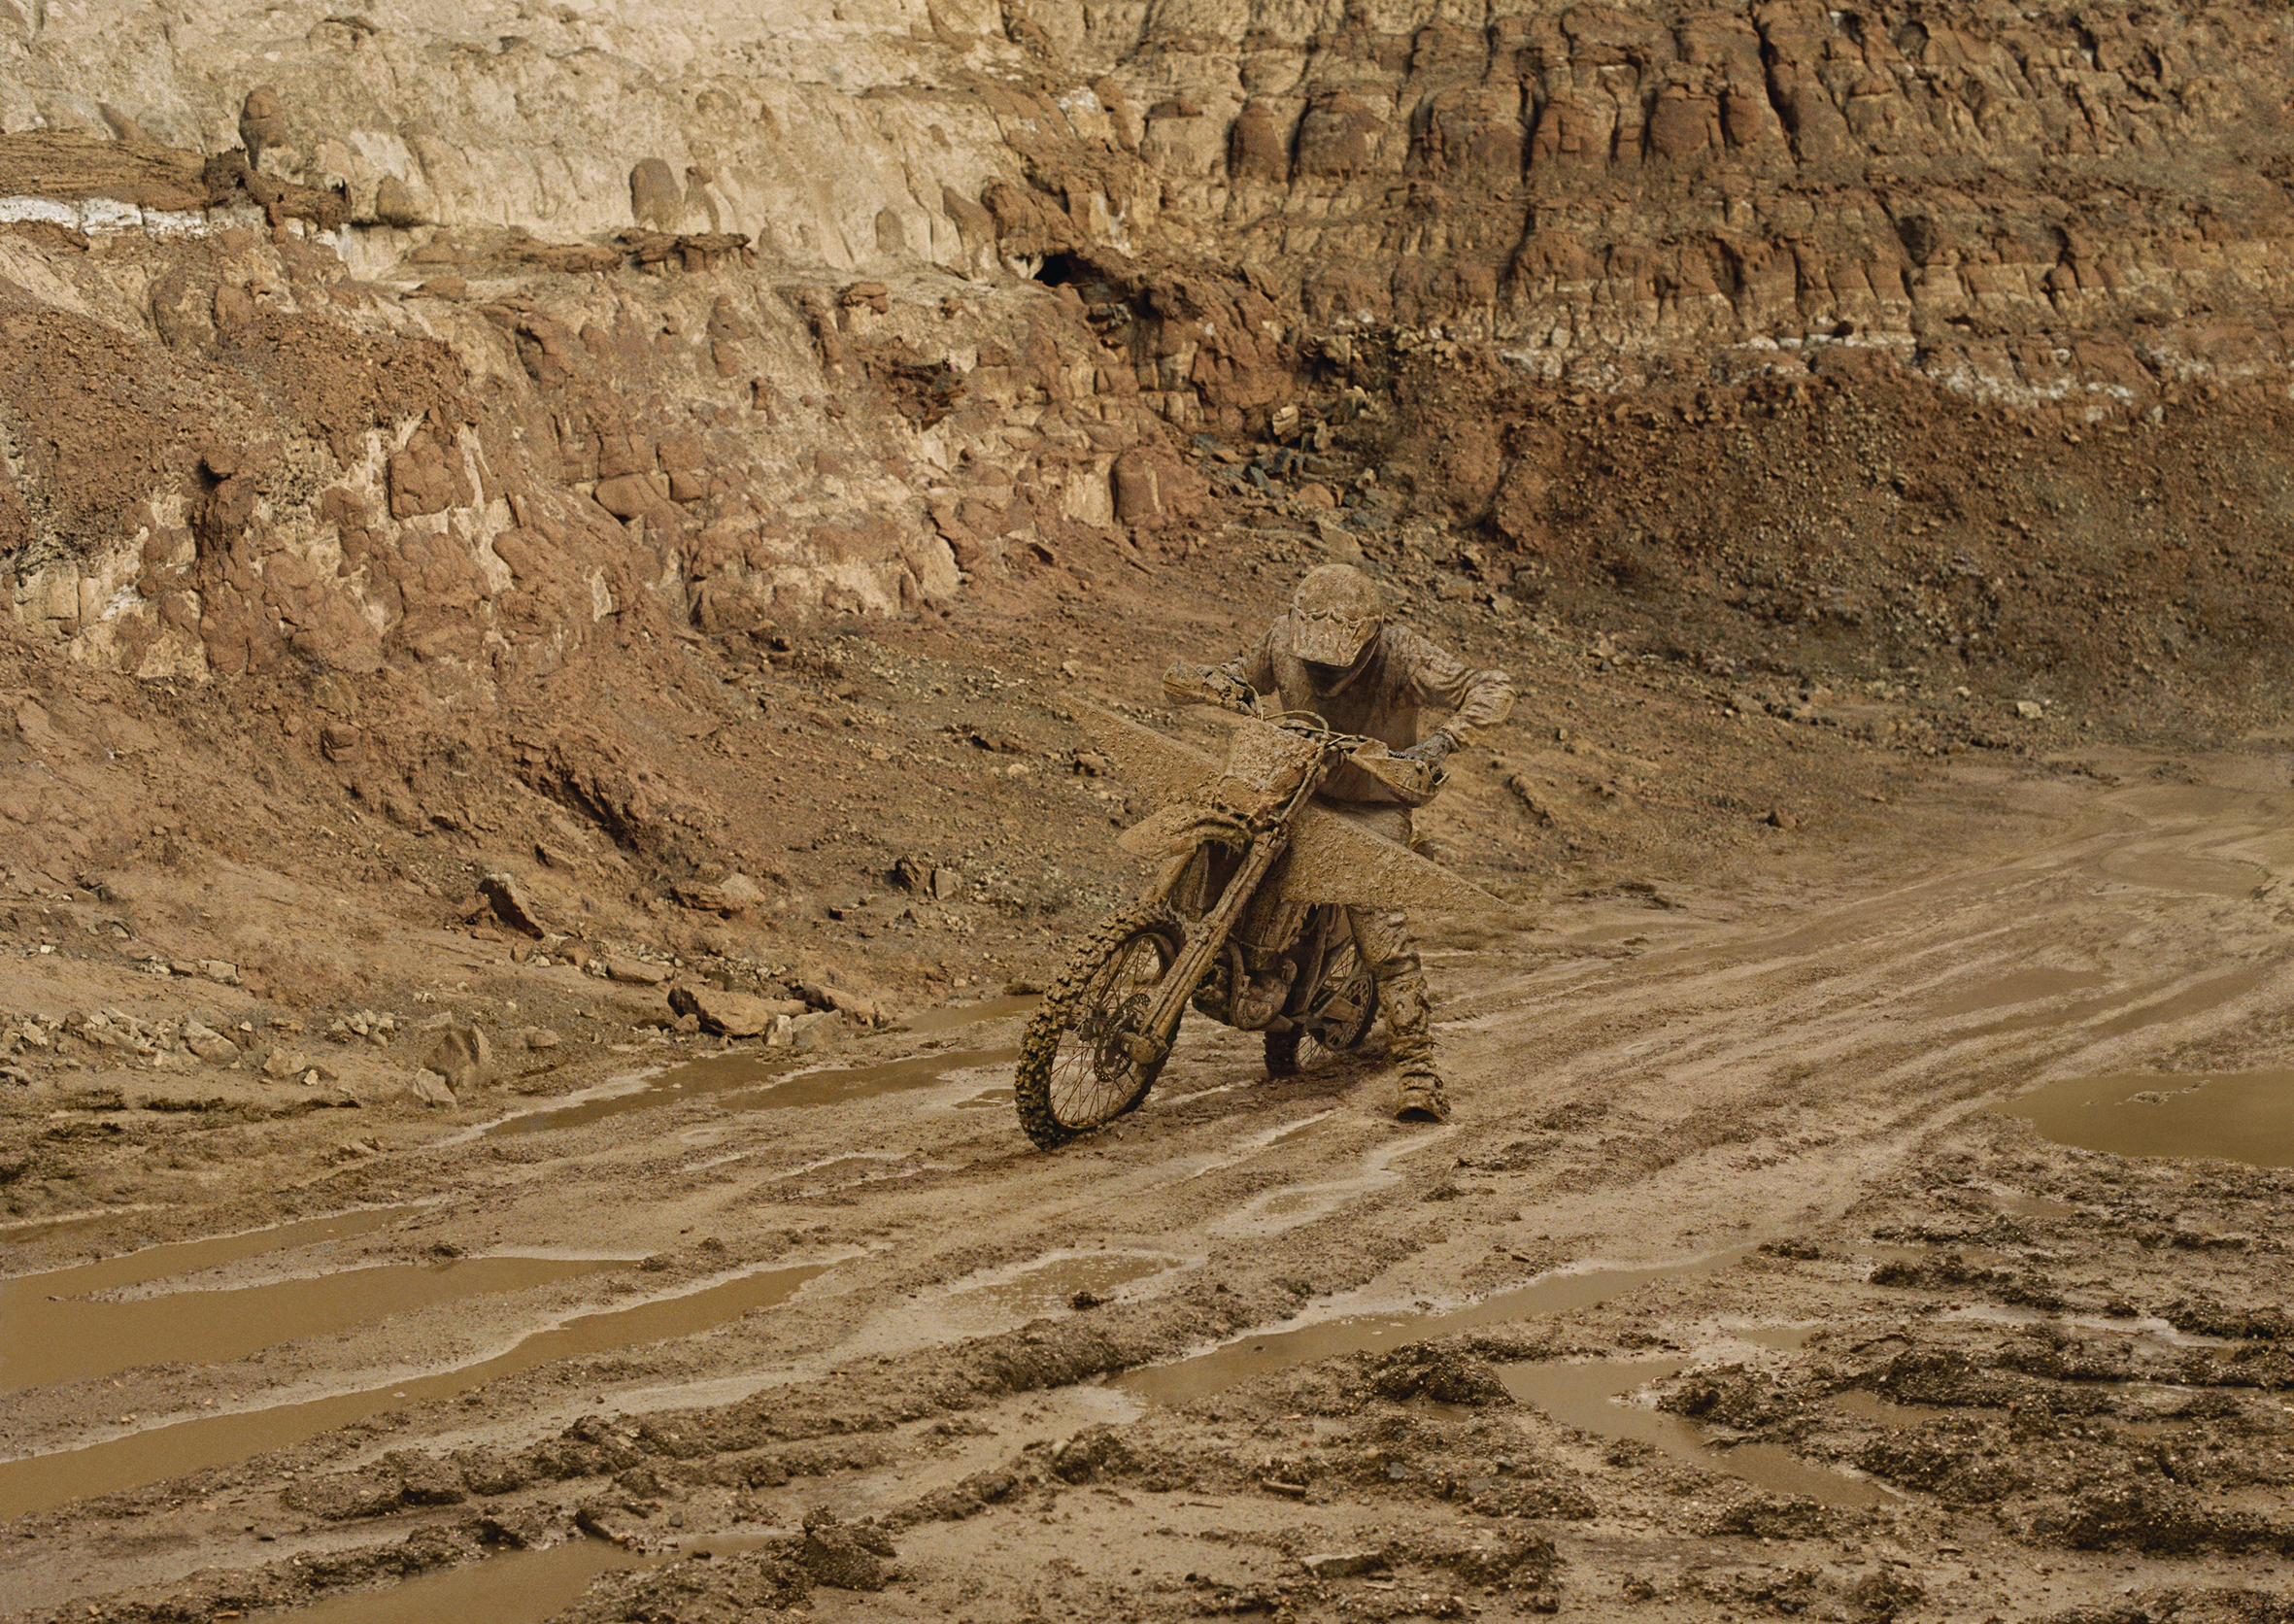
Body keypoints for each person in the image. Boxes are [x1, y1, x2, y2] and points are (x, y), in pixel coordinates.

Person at [1164, 562, 1513, 1123]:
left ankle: (1419, 1071)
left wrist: (1444, 741)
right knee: (1215, 835)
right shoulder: (1282, 638)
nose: (1321, 673)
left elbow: (1491, 685)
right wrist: (1215, 682)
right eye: (1311, 661)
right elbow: (1239, 674)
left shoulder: (1403, 652)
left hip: (1371, 803)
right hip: (1291, 782)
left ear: (1370, 636)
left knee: (1378, 918)